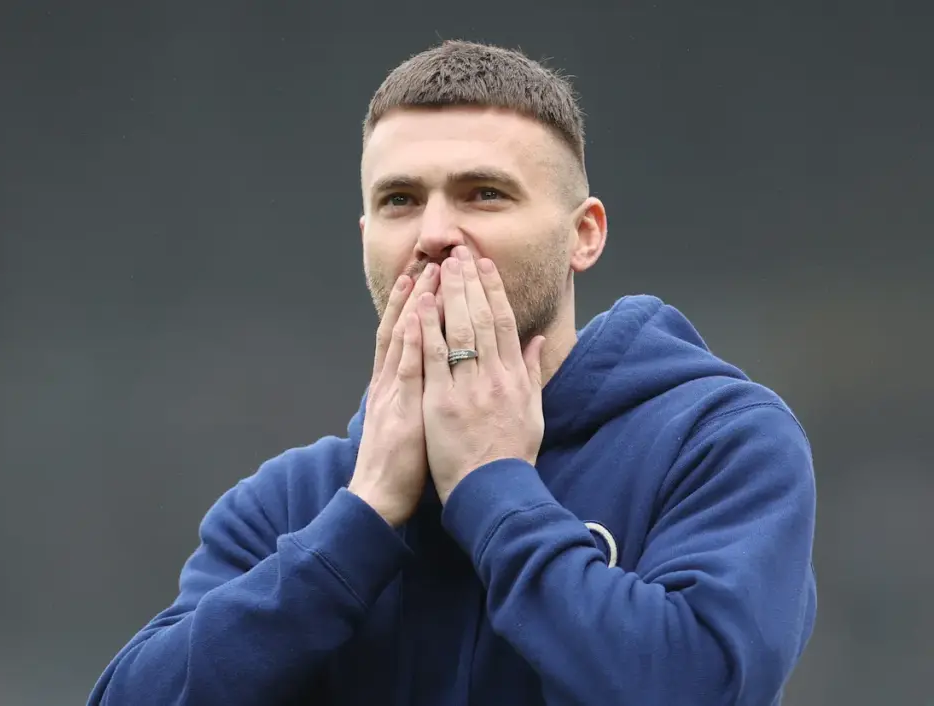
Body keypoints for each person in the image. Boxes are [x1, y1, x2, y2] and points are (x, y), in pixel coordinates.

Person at [88, 40, 817, 706]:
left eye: (484, 193)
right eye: (400, 200)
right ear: (368, 238)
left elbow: (697, 688)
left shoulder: (716, 442)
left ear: (583, 234)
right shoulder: (295, 501)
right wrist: (361, 523)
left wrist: (495, 488)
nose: (435, 234)